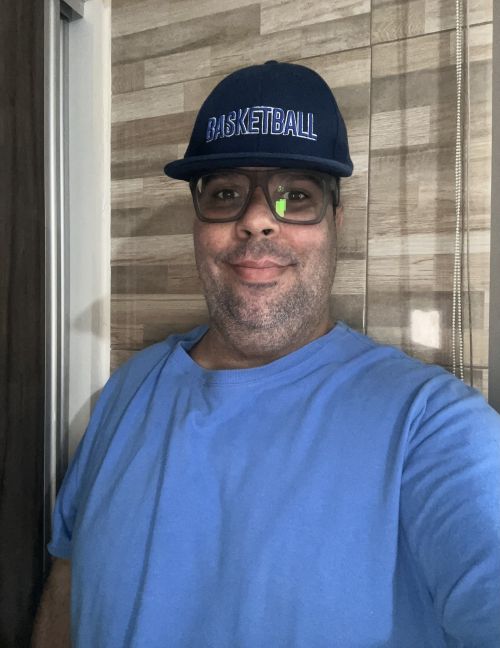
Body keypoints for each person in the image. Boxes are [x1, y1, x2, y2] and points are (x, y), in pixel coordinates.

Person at [33, 61, 500, 647]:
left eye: (296, 195)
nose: (256, 220)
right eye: (226, 193)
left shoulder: (432, 428)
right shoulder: (126, 392)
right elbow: (66, 582)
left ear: (337, 223)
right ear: (197, 224)